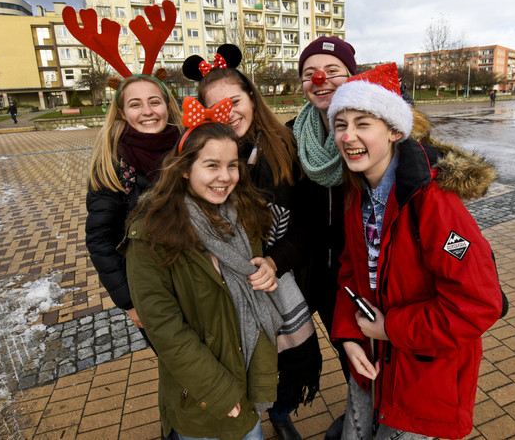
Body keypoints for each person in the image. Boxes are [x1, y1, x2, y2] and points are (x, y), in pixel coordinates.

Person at [327, 63, 502, 439]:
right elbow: (350, 270)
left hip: (424, 375)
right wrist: (349, 335)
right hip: (372, 364)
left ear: (393, 131)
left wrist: (390, 328)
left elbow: (478, 304)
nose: (348, 136)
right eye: (341, 125)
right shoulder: (357, 191)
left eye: (363, 123)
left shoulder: (435, 203)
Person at [124, 104, 310, 440]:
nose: (225, 177)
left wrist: (268, 270)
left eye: (232, 166)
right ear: (184, 169)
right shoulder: (152, 234)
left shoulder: (243, 215)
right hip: (203, 398)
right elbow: (164, 327)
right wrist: (220, 392)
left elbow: (251, 293)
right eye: (211, 165)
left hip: (249, 381)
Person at [185, 45, 321, 440]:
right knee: (239, 354)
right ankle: (248, 415)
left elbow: (306, 223)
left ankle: (279, 412)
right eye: (216, 106)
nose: (229, 111)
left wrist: (275, 262)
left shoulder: (284, 146)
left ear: (251, 97)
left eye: (235, 100)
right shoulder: (203, 156)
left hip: (281, 275)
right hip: (227, 281)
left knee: (282, 356)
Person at [289, 36, 357, 439]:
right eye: (310, 73)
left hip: (360, 275)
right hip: (311, 271)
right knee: (328, 349)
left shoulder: (374, 129)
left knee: (366, 357)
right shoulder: (290, 136)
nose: (320, 78)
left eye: (332, 70)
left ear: (351, 75)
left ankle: (370, 416)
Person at [85, 71, 182, 349]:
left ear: (167, 105)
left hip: (202, 280)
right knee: (183, 366)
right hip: (153, 290)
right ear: (122, 112)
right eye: (135, 104)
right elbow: (100, 239)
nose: (148, 111)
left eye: (155, 101)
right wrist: (129, 301)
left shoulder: (190, 147)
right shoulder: (114, 164)